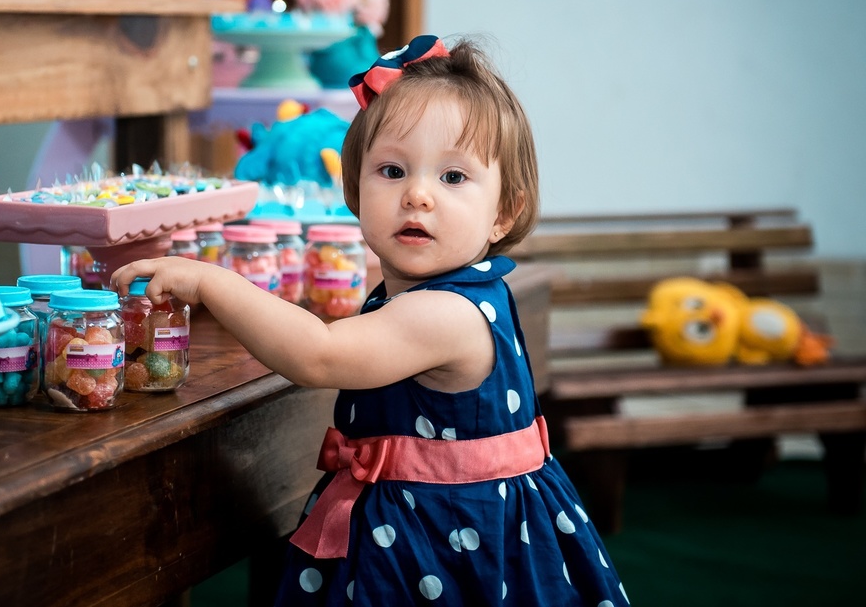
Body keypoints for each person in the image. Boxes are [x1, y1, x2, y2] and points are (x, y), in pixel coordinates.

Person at [111, 35, 628, 606]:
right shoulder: (437, 289)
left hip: (451, 543)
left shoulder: (448, 313)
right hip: (411, 520)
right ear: (355, 191)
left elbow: (319, 354)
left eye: (453, 177)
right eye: (391, 170)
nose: (417, 195)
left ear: (503, 211)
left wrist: (211, 280)